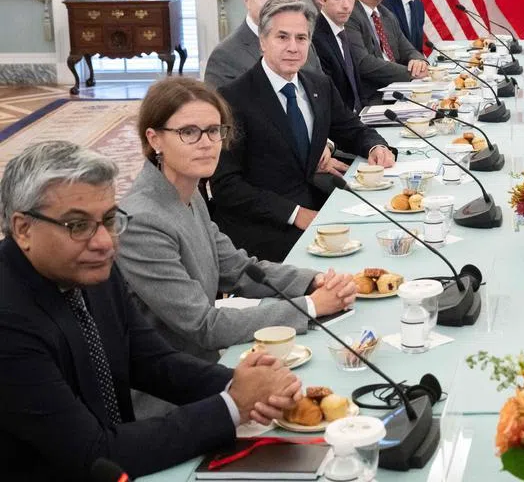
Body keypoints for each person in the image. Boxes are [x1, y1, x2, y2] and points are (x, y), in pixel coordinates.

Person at [0, 141, 301, 480]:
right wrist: (232, 405)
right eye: (77, 226)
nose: (103, 242)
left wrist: (244, 383)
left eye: (110, 220)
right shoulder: (8, 320)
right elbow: (94, 452)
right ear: (23, 229)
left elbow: (152, 362)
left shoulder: (90, 266)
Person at [118, 77, 357, 367]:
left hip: (207, 361)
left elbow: (238, 269)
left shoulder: (188, 191)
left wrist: (312, 281)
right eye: (189, 132)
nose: (206, 144)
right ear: (154, 139)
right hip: (177, 384)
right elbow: (204, 325)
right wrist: (310, 306)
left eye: (213, 131)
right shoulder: (141, 220)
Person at [210, 0, 396, 262]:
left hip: (315, 205)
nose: (293, 48)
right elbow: (226, 186)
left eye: (301, 38)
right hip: (262, 227)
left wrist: (376, 146)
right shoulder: (233, 98)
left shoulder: (317, 84)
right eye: (282, 37)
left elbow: (351, 129)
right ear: (262, 41)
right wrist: (295, 213)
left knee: (383, 235)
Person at [203, 0, 320, 88]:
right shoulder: (225, 56)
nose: (275, 2)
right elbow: (222, 107)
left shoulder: (305, 45)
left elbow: (321, 94)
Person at [344, 0, 429, 86]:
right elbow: (364, 64)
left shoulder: (386, 14)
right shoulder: (349, 15)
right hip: (373, 96)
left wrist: (419, 62)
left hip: (397, 88)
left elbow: (409, 50)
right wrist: (412, 73)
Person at [311, 0, 369, 112]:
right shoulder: (316, 39)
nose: (346, 5)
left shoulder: (343, 31)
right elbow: (331, 101)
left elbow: (356, 90)